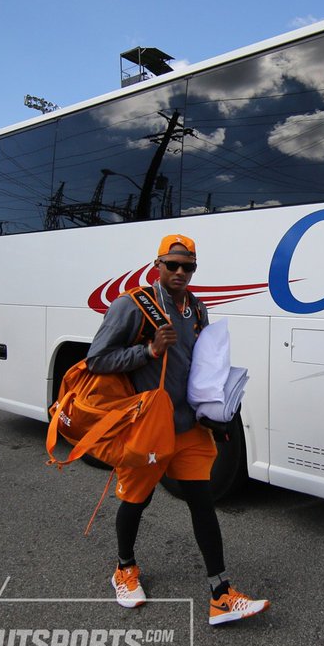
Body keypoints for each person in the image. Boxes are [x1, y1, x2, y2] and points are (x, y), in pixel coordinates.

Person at [86, 233, 269, 625]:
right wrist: (148, 351)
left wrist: (214, 413)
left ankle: (221, 594)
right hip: (147, 427)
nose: (181, 272)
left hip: (188, 427)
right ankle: (124, 569)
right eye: (173, 265)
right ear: (158, 265)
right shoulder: (132, 305)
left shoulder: (197, 309)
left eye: (189, 266)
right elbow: (96, 359)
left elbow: (199, 368)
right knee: (136, 501)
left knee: (202, 503)